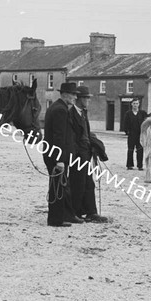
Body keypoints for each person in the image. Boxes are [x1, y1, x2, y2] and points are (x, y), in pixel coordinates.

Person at [69, 86, 109, 223]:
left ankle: (91, 212)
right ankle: (75, 212)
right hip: (76, 155)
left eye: (88, 98)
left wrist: (93, 146)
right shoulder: (71, 113)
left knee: (89, 183)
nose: (88, 100)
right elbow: (71, 136)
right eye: (86, 98)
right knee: (77, 183)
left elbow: (86, 132)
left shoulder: (83, 113)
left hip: (86, 153)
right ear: (78, 99)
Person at [43, 82, 81, 227]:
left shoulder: (58, 107)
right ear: (65, 94)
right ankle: (55, 220)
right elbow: (59, 136)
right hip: (57, 155)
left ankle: (65, 215)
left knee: (61, 186)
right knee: (57, 187)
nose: (75, 97)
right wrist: (59, 160)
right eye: (73, 94)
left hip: (55, 154)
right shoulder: (60, 110)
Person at [122, 98, 147, 170]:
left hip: (140, 134)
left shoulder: (143, 113)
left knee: (140, 150)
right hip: (132, 134)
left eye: (137, 103)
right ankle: (129, 165)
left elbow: (146, 122)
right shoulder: (128, 113)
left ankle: (140, 165)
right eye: (134, 103)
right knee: (130, 149)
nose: (135, 105)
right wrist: (127, 132)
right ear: (131, 104)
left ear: (139, 104)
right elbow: (125, 123)